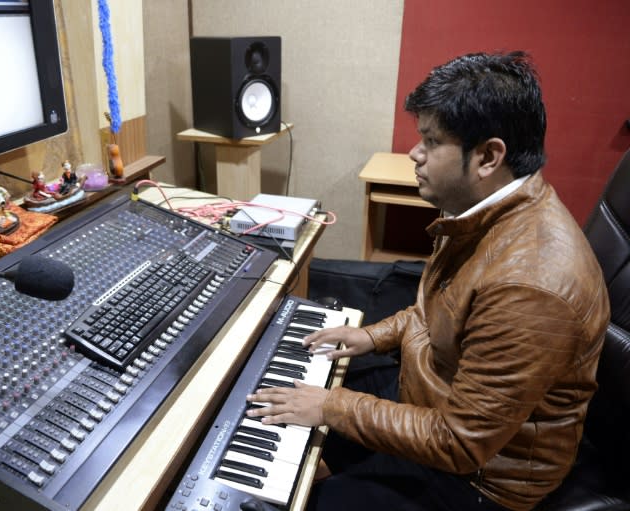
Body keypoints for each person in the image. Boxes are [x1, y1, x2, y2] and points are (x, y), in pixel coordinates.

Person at [246, 51, 610, 511]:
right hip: (433, 398)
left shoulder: (530, 285)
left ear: (488, 156)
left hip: (480, 480)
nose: (415, 154)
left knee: (314, 489)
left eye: (432, 141)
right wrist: (371, 335)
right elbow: (438, 310)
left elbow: (460, 443)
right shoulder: (483, 211)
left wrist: (331, 407)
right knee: (301, 388)